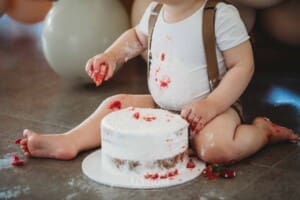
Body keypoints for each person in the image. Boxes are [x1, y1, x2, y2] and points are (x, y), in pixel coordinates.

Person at [19, 0, 298, 164]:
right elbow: (136, 39)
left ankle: (261, 132)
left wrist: (212, 105)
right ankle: (70, 140)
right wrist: (112, 56)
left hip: (213, 110)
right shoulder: (154, 12)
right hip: (162, 105)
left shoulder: (219, 15)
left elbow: (243, 65)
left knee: (215, 148)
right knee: (114, 105)